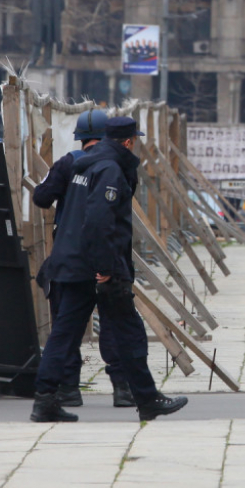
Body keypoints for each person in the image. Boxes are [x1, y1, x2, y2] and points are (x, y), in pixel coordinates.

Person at [29, 116, 188, 423]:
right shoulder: (111, 169)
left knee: (63, 334)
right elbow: (100, 221)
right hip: (98, 268)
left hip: (69, 263)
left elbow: (44, 197)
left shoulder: (78, 164)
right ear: (128, 141)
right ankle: (145, 398)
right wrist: (105, 268)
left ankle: (44, 400)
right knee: (128, 332)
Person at [31, 109, 136, 409]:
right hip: (110, 259)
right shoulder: (118, 166)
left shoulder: (69, 163)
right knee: (115, 325)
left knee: (67, 327)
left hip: (71, 259)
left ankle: (68, 390)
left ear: (80, 138)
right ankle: (122, 389)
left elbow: (41, 197)